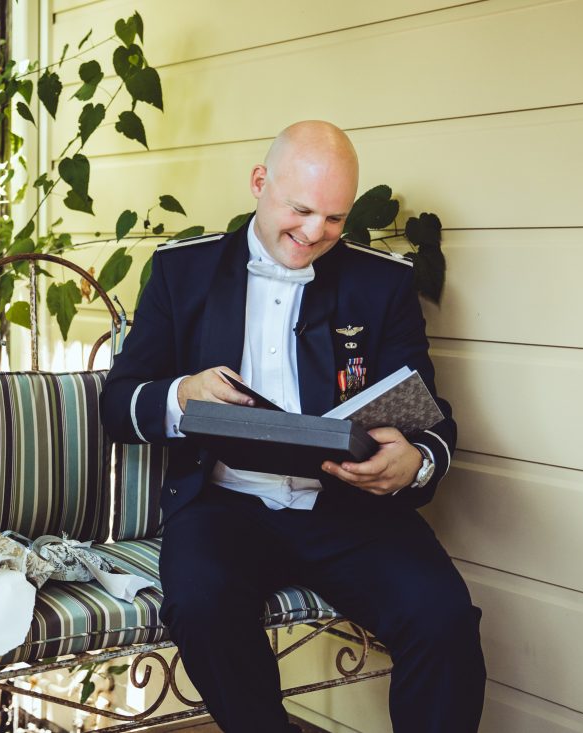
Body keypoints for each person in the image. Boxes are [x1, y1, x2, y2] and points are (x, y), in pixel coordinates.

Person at [100, 121, 486, 733]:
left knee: (443, 618)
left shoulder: (382, 284)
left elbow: (429, 414)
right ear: (260, 183)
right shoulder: (183, 273)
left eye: (334, 218)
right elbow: (117, 404)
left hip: (349, 511)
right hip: (224, 506)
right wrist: (182, 394)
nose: (314, 234)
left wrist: (416, 461)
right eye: (301, 209)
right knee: (201, 605)